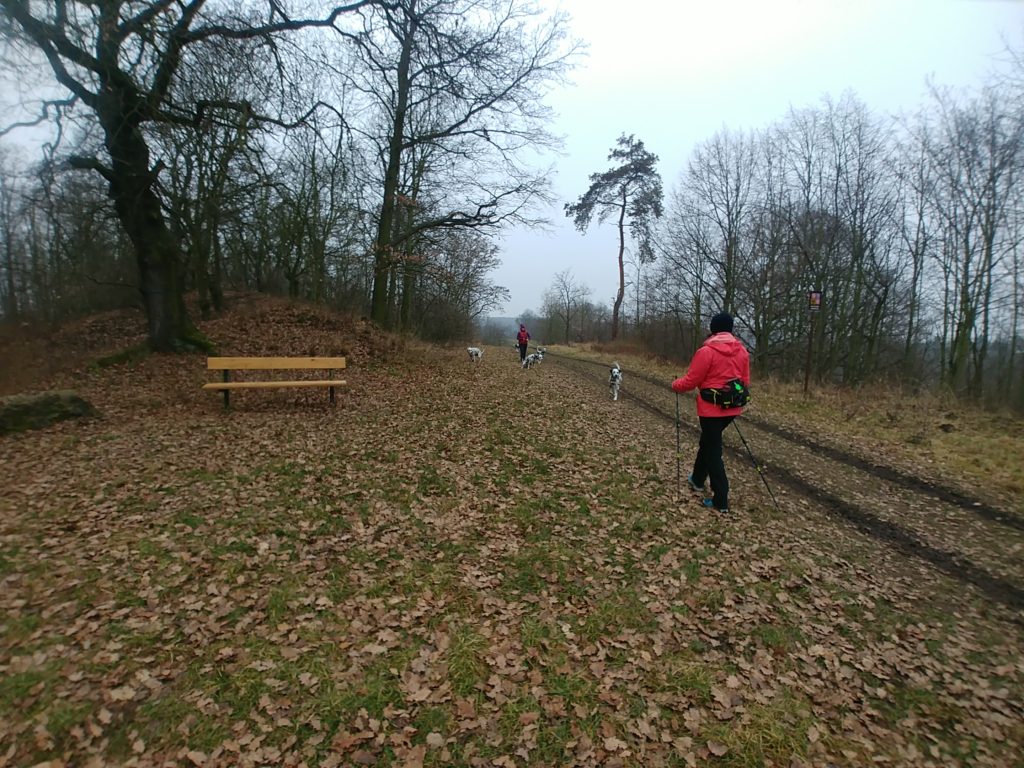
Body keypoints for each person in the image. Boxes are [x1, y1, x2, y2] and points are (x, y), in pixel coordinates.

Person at [671, 312, 750, 513]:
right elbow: (745, 383)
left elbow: (691, 380)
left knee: (713, 449)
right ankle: (697, 479)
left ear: (713, 328)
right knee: (707, 442)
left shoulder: (706, 351)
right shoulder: (742, 351)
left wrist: (675, 385)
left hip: (710, 410)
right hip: (732, 408)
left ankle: (720, 499)